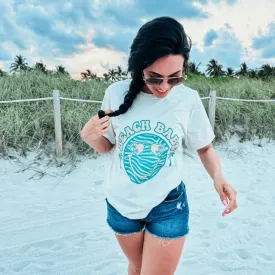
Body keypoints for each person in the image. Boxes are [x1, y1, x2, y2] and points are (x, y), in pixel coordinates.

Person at [80, 16, 238, 275]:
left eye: (174, 78)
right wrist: (88, 136)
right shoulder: (116, 93)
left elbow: (205, 148)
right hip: (121, 206)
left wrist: (218, 177)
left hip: (168, 205)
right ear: (140, 66)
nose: (164, 87)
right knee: (137, 268)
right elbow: (107, 147)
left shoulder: (188, 99)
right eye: (155, 78)